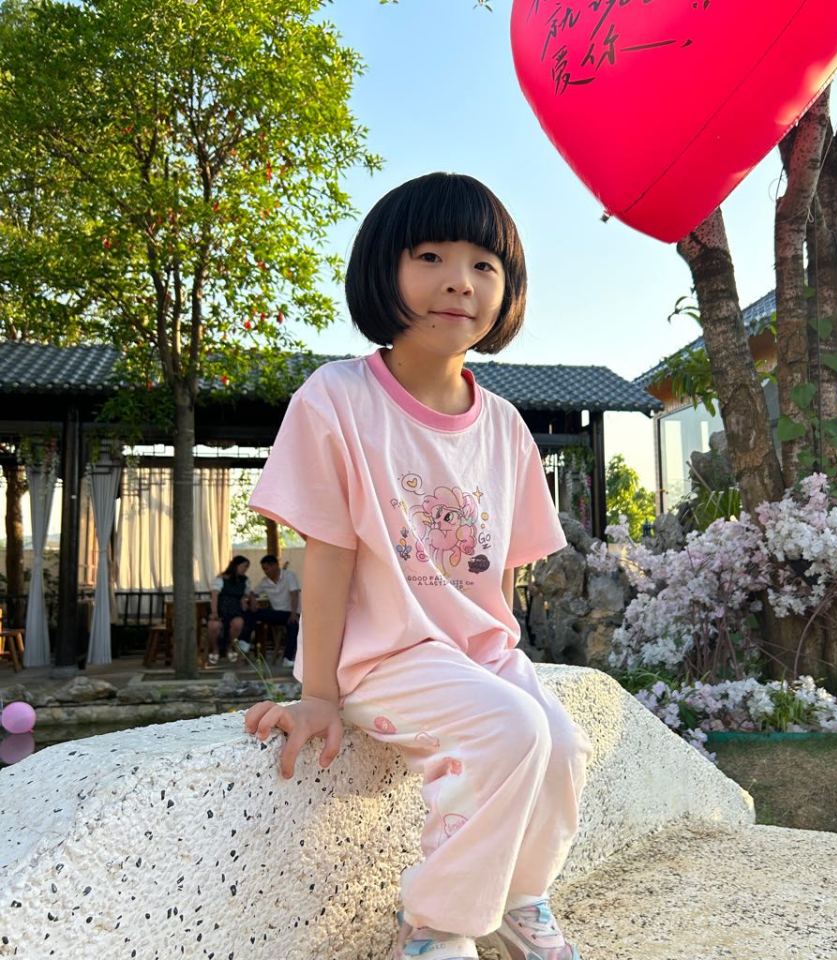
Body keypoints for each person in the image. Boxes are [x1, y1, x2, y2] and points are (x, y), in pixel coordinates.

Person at [244, 172, 592, 960]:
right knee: (508, 731)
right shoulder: (336, 400)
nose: (459, 281)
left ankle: (520, 897)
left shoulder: (504, 425)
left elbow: (501, 574)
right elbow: (328, 555)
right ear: (383, 269)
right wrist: (319, 695)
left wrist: (506, 665)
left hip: (476, 654)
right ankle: (436, 925)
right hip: (385, 657)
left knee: (561, 743)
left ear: (507, 291)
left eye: (484, 265)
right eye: (430, 256)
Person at [252, 554, 301, 667]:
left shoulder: (289, 576)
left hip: (291, 613)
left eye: (266, 568)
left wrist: (293, 614)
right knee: (253, 613)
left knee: (293, 626)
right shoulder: (264, 582)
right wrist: (253, 599)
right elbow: (253, 592)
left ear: (275, 566)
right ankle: (244, 642)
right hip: (276, 614)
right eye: (263, 569)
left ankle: (288, 658)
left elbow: (294, 595)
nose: (265, 572)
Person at [206, 555, 256, 665]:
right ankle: (215, 649)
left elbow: (248, 593)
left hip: (235, 610)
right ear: (236, 565)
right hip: (221, 609)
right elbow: (214, 596)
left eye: (247, 567)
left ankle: (230, 647)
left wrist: (248, 600)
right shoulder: (221, 579)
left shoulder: (245, 580)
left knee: (238, 623)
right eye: (244, 566)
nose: (245, 569)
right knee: (213, 625)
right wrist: (214, 612)